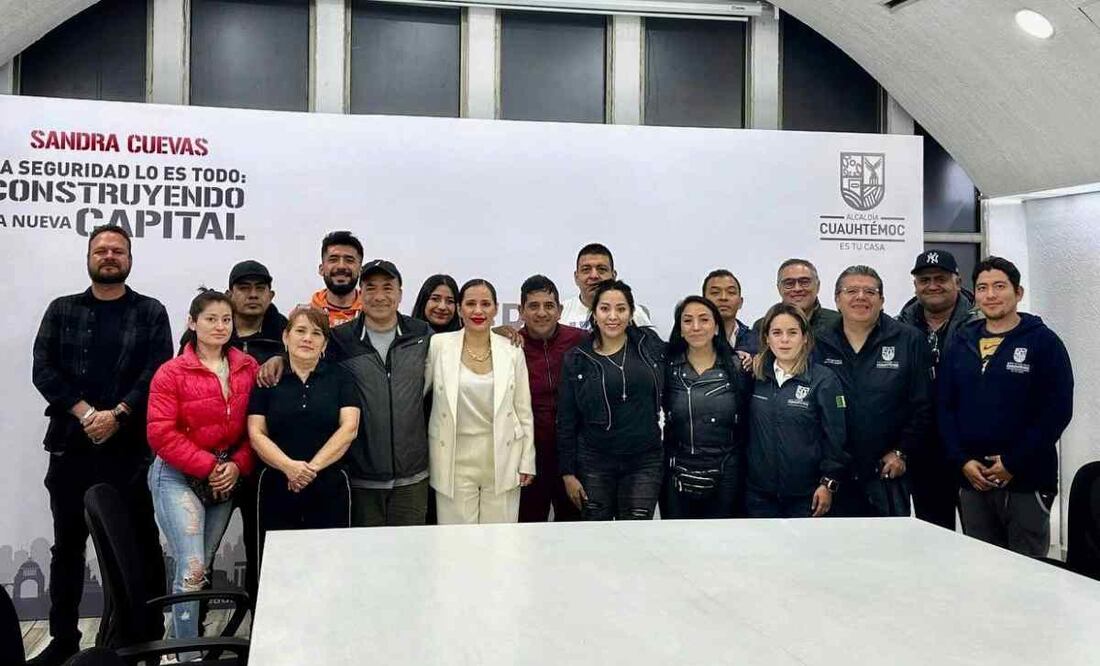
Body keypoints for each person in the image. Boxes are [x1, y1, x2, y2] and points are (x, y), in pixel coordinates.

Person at [30, 225, 172, 666]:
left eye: (118, 250)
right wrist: (87, 413)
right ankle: (64, 639)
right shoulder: (62, 309)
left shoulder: (150, 311)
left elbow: (157, 371)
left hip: (130, 452)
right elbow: (43, 369)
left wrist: (118, 415)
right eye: (101, 250)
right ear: (89, 257)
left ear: (130, 258)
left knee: (142, 546)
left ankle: (145, 638)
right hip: (70, 448)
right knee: (66, 548)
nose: (109, 256)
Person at [146, 290, 258, 653]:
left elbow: (257, 428)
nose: (220, 326)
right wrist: (211, 466)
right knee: (192, 569)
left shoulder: (248, 368)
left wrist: (238, 465)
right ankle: (187, 656)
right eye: (211, 319)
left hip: (225, 478)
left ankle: (175, 640)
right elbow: (160, 434)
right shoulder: (172, 372)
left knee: (201, 567)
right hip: (177, 476)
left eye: (226, 319)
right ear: (193, 323)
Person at [939, 256, 1073, 557]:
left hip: (1026, 479)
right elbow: (945, 407)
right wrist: (962, 460)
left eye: (999, 286)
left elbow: (1057, 411)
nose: (991, 295)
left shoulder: (1044, 342)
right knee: (982, 567)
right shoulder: (961, 342)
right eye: (982, 288)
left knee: (1027, 569)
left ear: (1018, 292)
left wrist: (1013, 462)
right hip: (973, 479)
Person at [816, 265, 932, 517]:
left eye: (870, 291)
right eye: (851, 291)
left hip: (887, 471)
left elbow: (923, 404)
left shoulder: (909, 340)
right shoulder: (819, 342)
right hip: (834, 475)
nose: (861, 297)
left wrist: (902, 451)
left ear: (882, 300)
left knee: (888, 541)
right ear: (837, 299)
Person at [248, 307, 360, 559]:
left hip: (329, 485)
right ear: (286, 337)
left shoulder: (341, 378)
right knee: (277, 563)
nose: (308, 338)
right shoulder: (267, 380)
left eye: (316, 333)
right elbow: (256, 432)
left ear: (325, 344)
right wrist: (289, 467)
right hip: (277, 484)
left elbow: (349, 428)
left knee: (330, 562)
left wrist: (310, 470)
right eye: (300, 331)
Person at [425, 279, 535, 523]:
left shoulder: (512, 350)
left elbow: (523, 410)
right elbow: (417, 394)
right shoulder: (439, 345)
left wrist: (527, 460)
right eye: (470, 304)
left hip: (503, 458)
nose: (478, 311)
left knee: (500, 538)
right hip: (453, 461)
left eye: (485, 304)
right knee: (457, 539)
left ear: (496, 309)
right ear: (459, 309)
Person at [558, 280, 666, 520]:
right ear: (594, 313)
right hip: (594, 461)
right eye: (605, 308)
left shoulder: (650, 345)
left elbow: (690, 349)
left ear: (631, 313)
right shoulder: (577, 358)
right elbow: (566, 420)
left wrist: (738, 355)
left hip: (644, 460)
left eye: (621, 309)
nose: (613, 316)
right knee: (598, 535)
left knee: (637, 532)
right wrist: (568, 473)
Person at [897, 250, 979, 530]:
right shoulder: (899, 328)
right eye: (925, 280)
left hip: (972, 449)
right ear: (915, 286)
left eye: (941, 278)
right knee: (934, 535)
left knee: (981, 539)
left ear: (957, 281)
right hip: (924, 452)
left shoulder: (983, 323)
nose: (932, 285)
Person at [745, 303, 848, 518]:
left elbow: (836, 438)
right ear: (766, 338)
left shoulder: (824, 380)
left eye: (792, 332)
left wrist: (828, 483)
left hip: (807, 496)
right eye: (777, 333)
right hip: (759, 496)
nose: (784, 340)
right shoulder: (755, 376)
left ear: (805, 338)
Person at [662, 296, 751, 519]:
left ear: (716, 326)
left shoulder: (738, 367)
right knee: (677, 536)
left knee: (721, 536)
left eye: (704, 319)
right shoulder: (666, 367)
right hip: (676, 469)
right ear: (680, 329)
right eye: (687, 321)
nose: (696, 327)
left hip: (727, 470)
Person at [515, 275, 587, 522]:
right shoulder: (510, 346)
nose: (541, 313)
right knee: (527, 529)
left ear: (560, 310)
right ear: (521, 311)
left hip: (574, 457)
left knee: (574, 530)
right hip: (528, 458)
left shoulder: (581, 341)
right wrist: (498, 331)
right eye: (533, 306)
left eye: (549, 305)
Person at [560, 243, 652, 329]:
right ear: (576, 277)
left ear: (613, 276)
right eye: (586, 270)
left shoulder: (634, 313)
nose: (594, 276)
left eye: (602, 269)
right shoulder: (561, 314)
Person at [751, 258, 841, 338]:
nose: (797, 289)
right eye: (789, 283)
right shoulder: (763, 326)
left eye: (804, 282)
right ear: (779, 288)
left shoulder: (838, 323)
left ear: (818, 286)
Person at [310, 230, 364, 327]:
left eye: (349, 260)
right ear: (321, 269)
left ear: (360, 270)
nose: (341, 266)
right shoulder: (305, 316)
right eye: (333, 260)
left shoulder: (374, 315)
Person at [702, 269, 757, 355]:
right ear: (703, 302)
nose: (723, 297)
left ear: (740, 302)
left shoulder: (756, 341)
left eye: (731, 292)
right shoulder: (693, 339)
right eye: (715, 293)